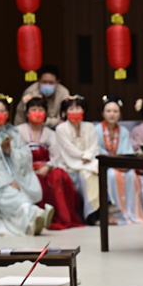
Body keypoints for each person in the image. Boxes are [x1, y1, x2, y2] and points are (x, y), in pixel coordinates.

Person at [0, 93, 52, 236]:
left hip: (14, 172)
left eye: (3, 111)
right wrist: (7, 181)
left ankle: (30, 221)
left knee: (23, 188)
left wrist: (11, 151)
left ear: (7, 113)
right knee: (8, 192)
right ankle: (32, 214)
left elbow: (26, 154)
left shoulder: (13, 131)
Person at [16, 96, 84, 229]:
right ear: (26, 113)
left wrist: (47, 167)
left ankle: (61, 217)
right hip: (25, 169)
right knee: (35, 181)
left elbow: (56, 157)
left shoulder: (50, 134)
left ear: (46, 113)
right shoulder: (18, 131)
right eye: (33, 109)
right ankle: (36, 216)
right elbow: (15, 155)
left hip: (46, 168)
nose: (37, 112)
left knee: (59, 175)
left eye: (40, 110)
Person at [95, 93, 143, 225]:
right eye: (108, 111)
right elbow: (97, 150)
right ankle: (115, 214)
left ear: (120, 114)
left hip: (122, 164)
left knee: (132, 175)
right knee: (111, 175)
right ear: (103, 113)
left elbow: (127, 152)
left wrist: (122, 163)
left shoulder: (124, 131)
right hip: (106, 166)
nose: (112, 114)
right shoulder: (96, 130)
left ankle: (130, 212)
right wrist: (114, 162)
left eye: (115, 111)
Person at [53, 95, 101, 225]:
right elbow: (68, 149)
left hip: (88, 161)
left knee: (91, 171)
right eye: (71, 109)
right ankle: (94, 213)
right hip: (69, 163)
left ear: (84, 110)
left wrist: (88, 156)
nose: (75, 111)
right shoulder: (60, 129)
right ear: (65, 112)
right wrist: (84, 156)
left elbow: (94, 146)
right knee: (87, 172)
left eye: (78, 108)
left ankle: (94, 212)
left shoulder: (90, 126)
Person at [13, 64, 70, 129]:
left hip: (56, 129)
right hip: (30, 128)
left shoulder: (63, 93)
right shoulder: (30, 92)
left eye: (51, 82)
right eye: (44, 82)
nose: (47, 85)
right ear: (39, 81)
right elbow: (28, 116)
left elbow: (63, 119)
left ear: (58, 82)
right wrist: (55, 121)